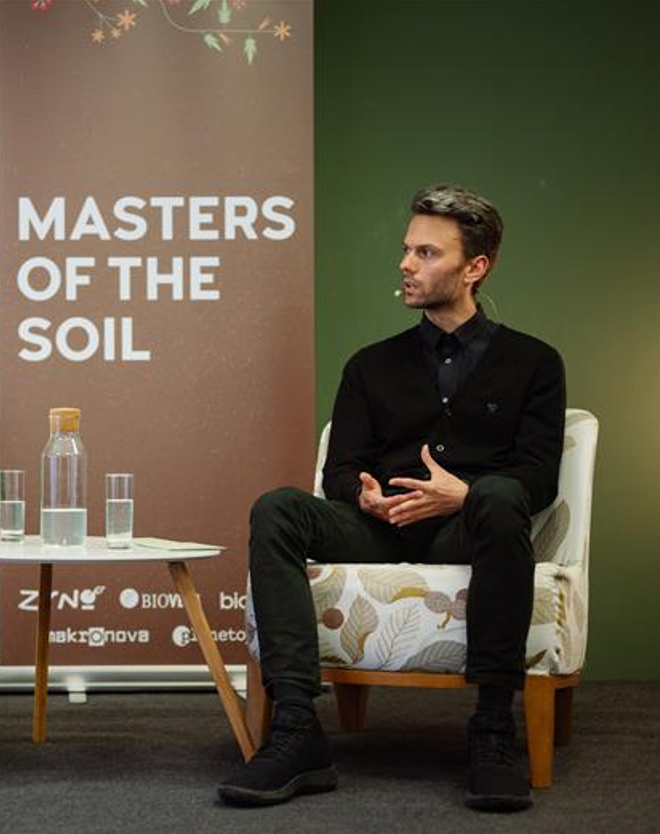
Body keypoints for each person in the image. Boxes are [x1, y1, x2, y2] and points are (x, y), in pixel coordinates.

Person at [218, 184, 565, 813]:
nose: (406, 264)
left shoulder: (534, 362)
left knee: (499, 495)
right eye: (407, 250)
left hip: (470, 530)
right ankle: (297, 730)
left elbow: (541, 476)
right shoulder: (369, 365)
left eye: (426, 253)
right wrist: (365, 495)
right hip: (380, 530)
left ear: (474, 267)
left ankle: (492, 728)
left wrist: (463, 495)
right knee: (277, 508)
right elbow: (340, 470)